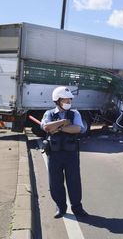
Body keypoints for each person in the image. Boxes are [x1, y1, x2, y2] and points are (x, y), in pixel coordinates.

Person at [41, 86, 88, 219]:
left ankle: (77, 207)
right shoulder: (49, 114)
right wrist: (63, 123)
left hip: (71, 153)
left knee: (74, 181)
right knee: (55, 182)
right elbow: (47, 127)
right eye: (65, 100)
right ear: (57, 101)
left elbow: (77, 129)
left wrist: (58, 127)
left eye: (69, 100)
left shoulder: (75, 114)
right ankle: (60, 207)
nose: (68, 102)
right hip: (54, 153)